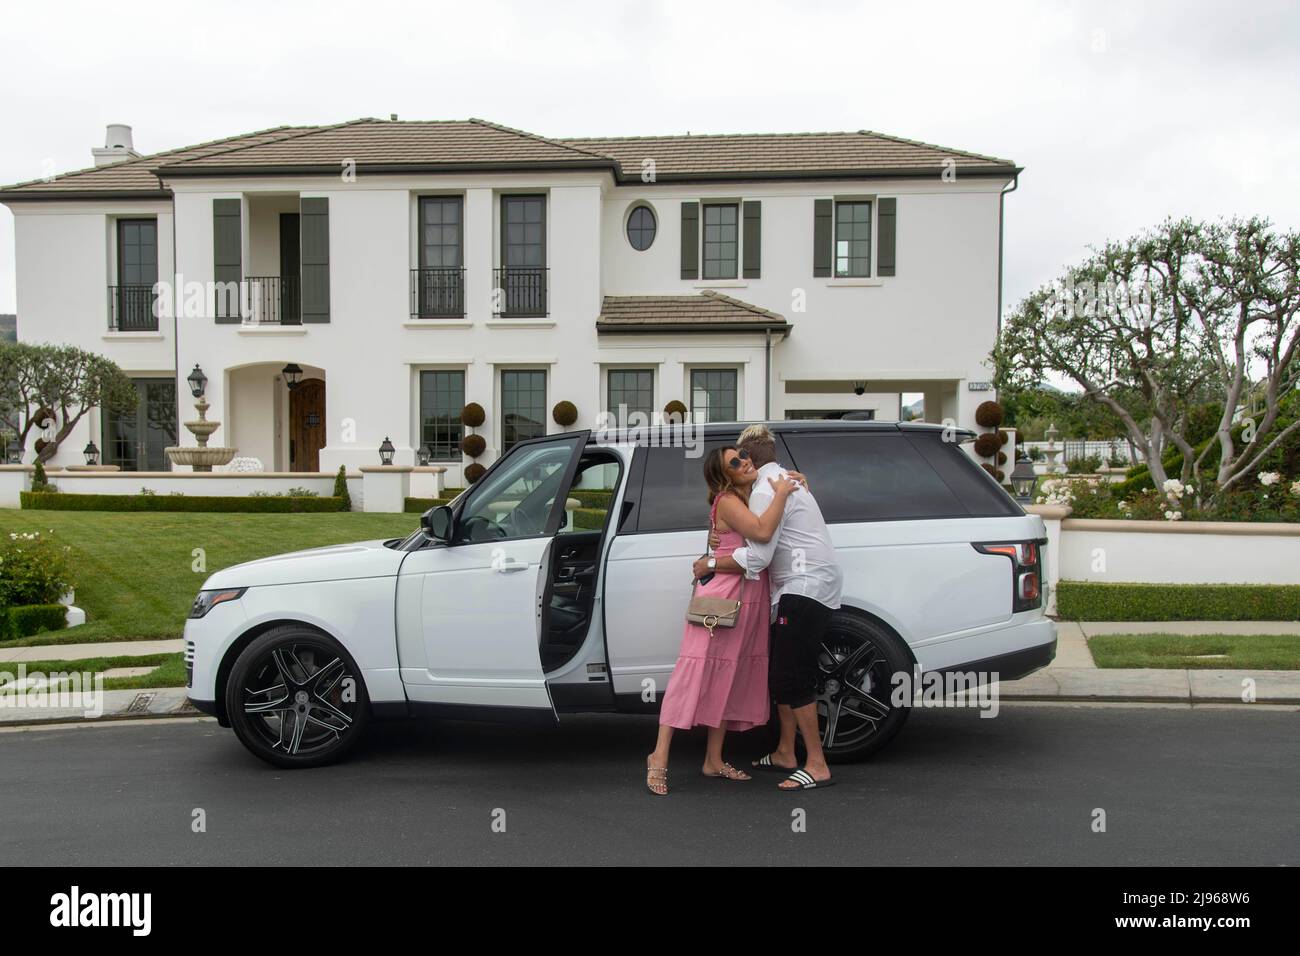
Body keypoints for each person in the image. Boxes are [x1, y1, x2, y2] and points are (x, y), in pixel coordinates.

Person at [693, 424, 843, 791]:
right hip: (806, 583)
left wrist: (710, 563)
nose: (742, 463)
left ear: (752, 458)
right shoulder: (784, 480)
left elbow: (758, 557)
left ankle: (817, 764)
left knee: (790, 677)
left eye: (742, 457)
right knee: (781, 672)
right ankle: (785, 753)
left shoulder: (765, 491)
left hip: (801, 585)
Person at [645, 446, 801, 796]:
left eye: (744, 455)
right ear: (723, 476)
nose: (744, 461)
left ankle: (713, 759)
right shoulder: (730, 501)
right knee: (694, 672)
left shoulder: (748, 497)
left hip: (747, 597)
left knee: (728, 673)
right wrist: (782, 493)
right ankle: (658, 756)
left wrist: (793, 482)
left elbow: (733, 544)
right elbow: (761, 534)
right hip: (723, 596)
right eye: (734, 462)